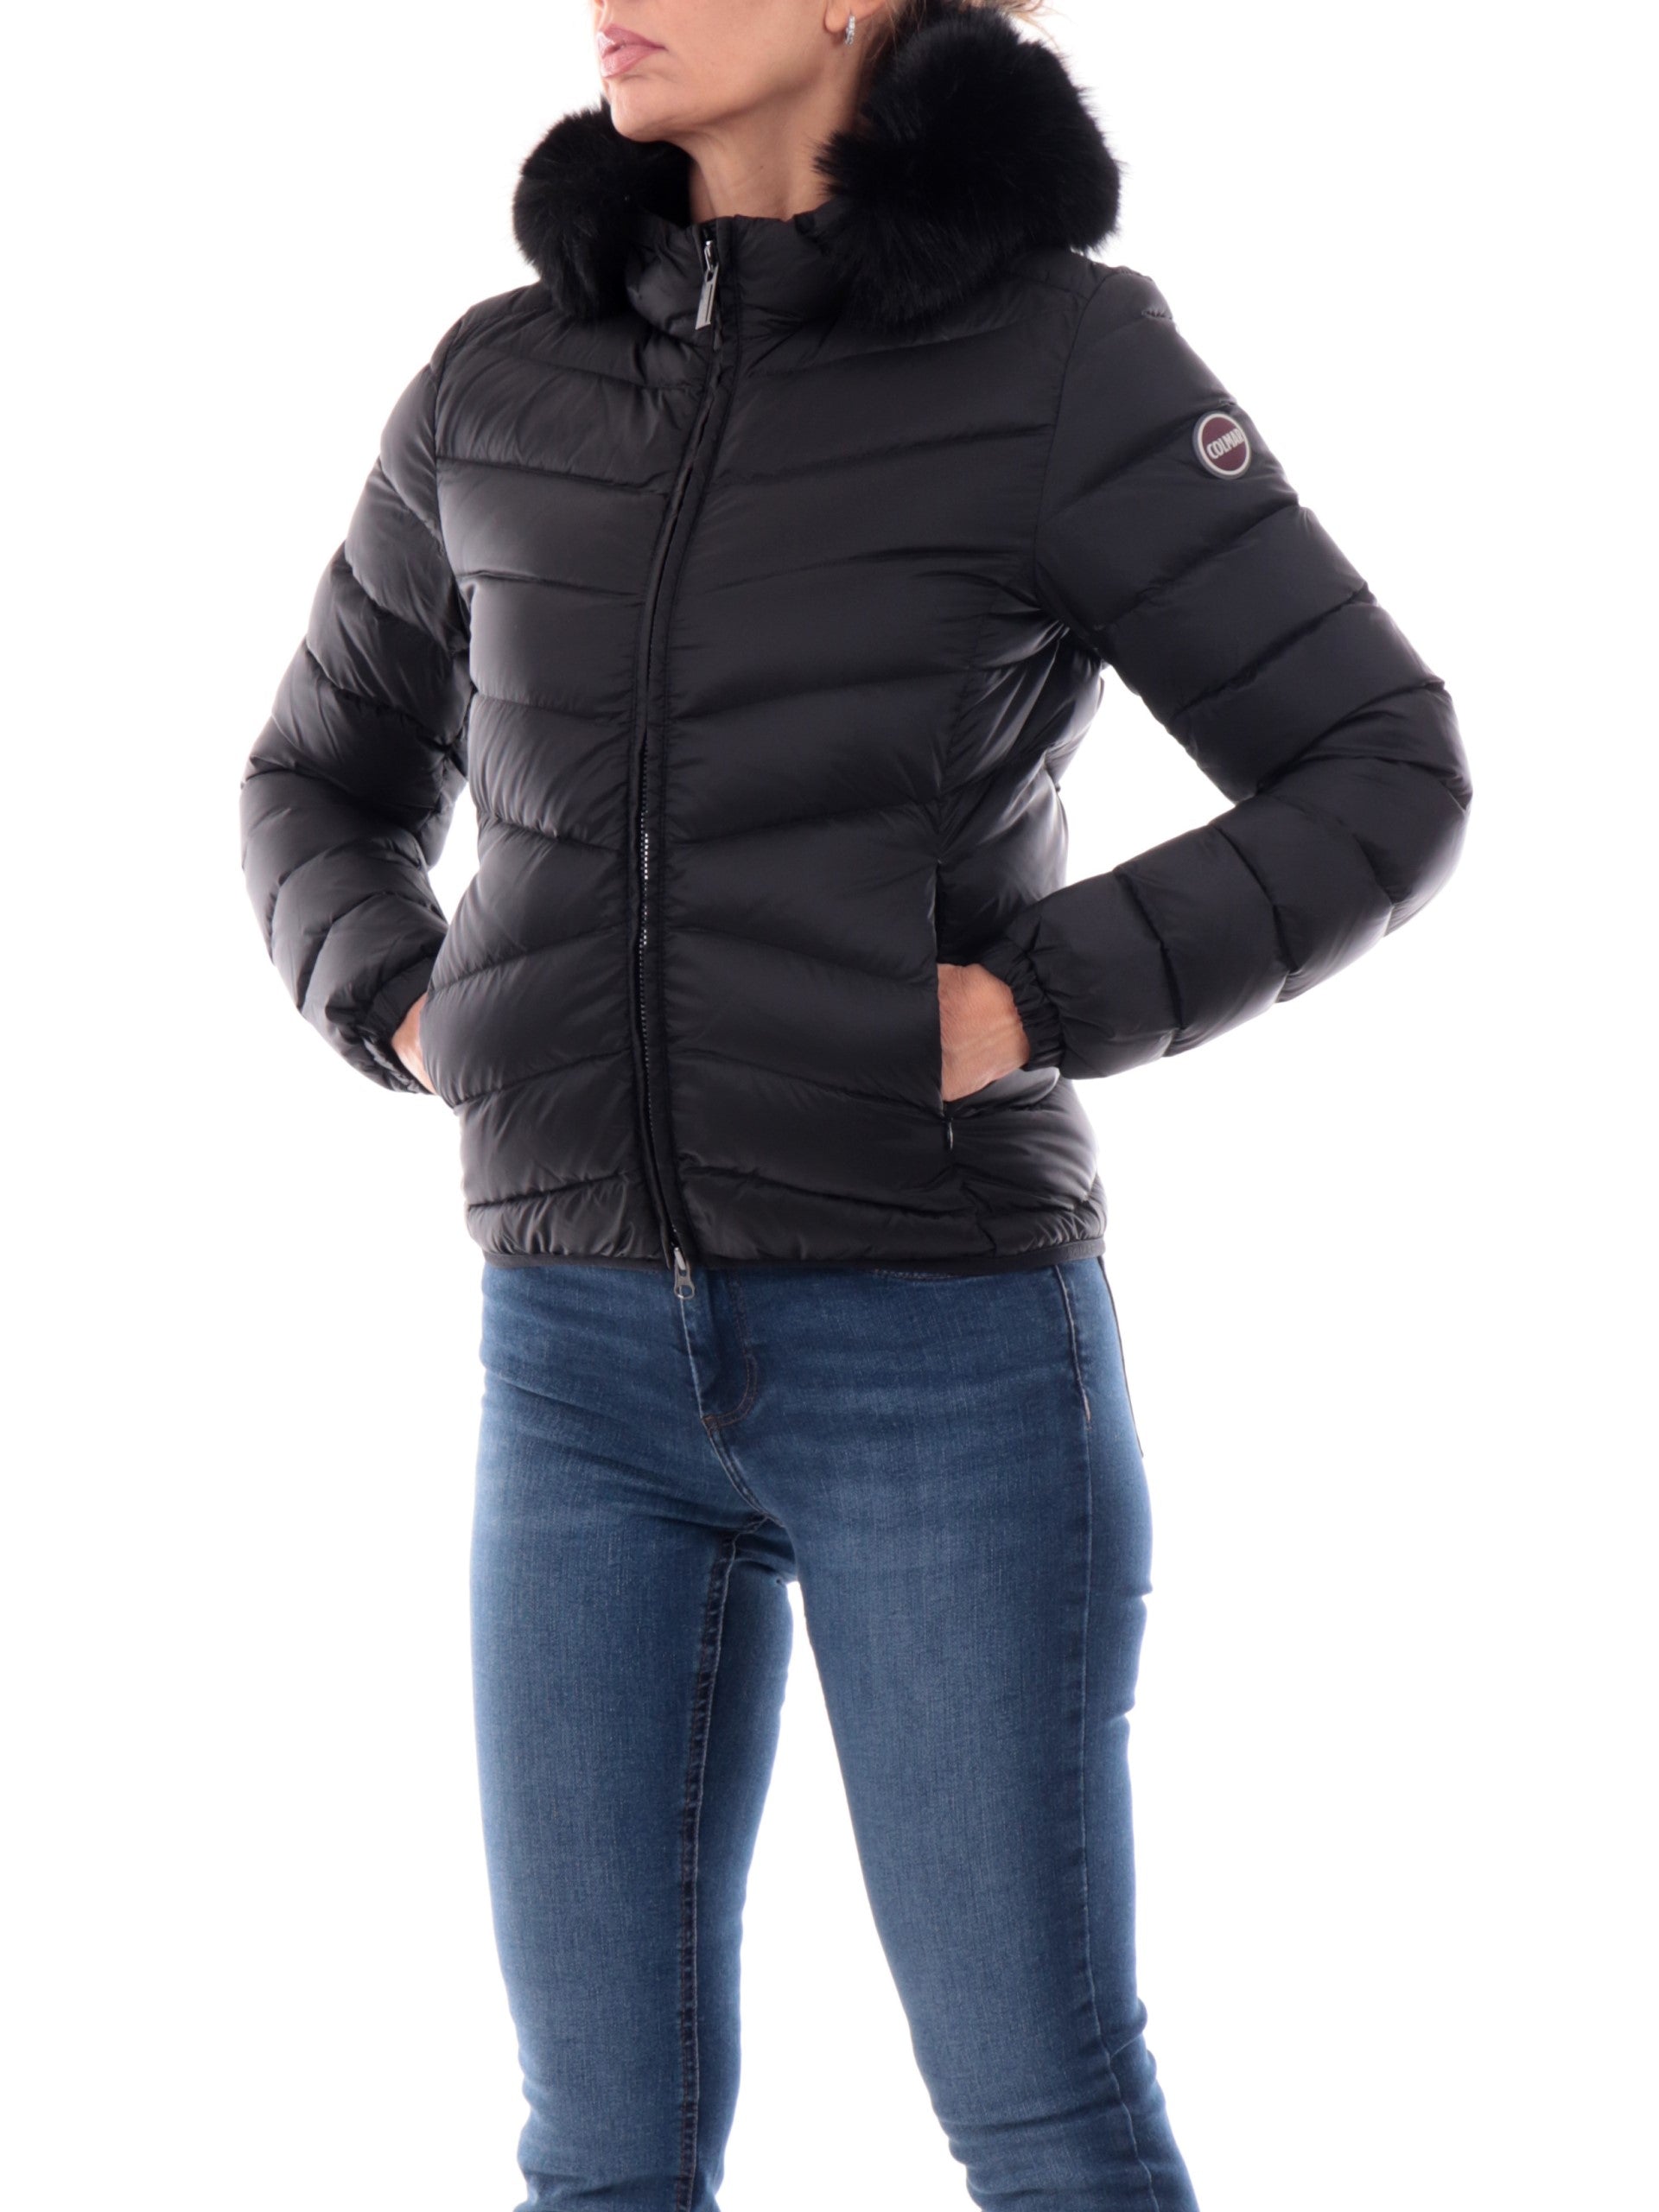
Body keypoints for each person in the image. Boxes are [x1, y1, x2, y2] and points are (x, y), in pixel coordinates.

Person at [239, 3, 1471, 2205]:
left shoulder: (1064, 363)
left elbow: (1381, 766)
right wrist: (425, 1011)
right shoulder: (500, 381)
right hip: (574, 1366)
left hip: (939, 1355)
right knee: (599, 2147)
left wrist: (1029, 1002)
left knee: (1040, 2114)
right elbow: (312, 779)